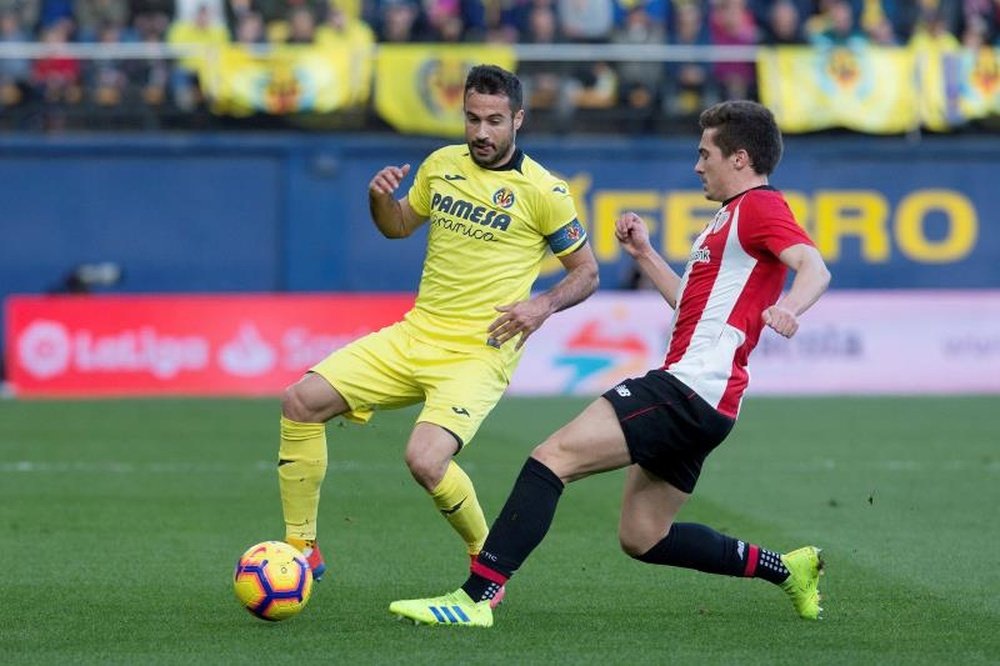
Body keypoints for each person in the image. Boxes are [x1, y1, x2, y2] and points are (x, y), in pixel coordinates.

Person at [389, 99, 832, 627]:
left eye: (705, 154)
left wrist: (789, 307)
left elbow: (813, 266)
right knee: (643, 536)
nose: (697, 166)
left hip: (689, 388)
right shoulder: (728, 218)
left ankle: (474, 599)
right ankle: (787, 569)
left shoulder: (759, 206)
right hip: (712, 402)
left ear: (739, 158)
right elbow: (690, 303)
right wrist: (644, 254)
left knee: (551, 459)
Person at [277, 64, 600, 605]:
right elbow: (398, 225)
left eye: (494, 121)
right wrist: (380, 198)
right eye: (472, 119)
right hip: (415, 334)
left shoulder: (545, 191)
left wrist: (541, 306)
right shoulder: (441, 165)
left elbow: (586, 272)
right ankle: (301, 547)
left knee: (426, 460)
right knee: (300, 401)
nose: (481, 132)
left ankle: (485, 560)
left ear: (518, 120)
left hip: (479, 352)